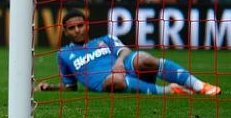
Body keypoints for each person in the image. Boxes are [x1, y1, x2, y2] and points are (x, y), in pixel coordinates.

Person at [37, 9, 221, 96]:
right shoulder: (63, 54)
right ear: (65, 31)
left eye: (80, 25)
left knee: (144, 58)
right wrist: (50, 87)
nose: (77, 30)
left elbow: (124, 50)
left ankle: (199, 85)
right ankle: (170, 90)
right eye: (72, 28)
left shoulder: (105, 39)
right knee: (113, 80)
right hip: (110, 82)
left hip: (126, 69)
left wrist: (119, 63)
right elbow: (70, 87)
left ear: (86, 25)